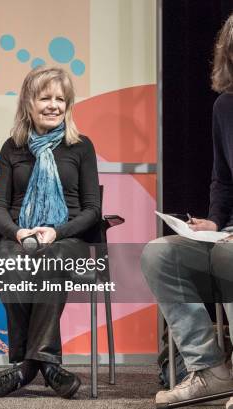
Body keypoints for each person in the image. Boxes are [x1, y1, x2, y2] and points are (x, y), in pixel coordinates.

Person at [0, 66, 100, 399]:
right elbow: (0, 206)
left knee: (50, 261)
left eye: (61, 99)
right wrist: (18, 234)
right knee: (8, 261)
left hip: (66, 238)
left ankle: (24, 366)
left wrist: (56, 233)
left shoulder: (81, 146)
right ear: (28, 103)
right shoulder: (12, 148)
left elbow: (92, 210)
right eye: (45, 97)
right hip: (19, 237)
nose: (53, 105)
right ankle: (48, 366)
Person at [141, 13, 233, 409]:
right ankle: (209, 369)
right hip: (230, 234)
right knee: (159, 254)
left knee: (229, 256)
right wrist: (213, 221)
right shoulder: (224, 108)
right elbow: (223, 180)